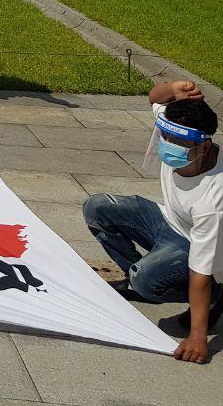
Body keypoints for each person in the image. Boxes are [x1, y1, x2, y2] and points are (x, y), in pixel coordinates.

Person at [85, 80, 223, 364]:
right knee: (98, 207)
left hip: (198, 248)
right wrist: (172, 88)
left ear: (205, 147)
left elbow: (201, 272)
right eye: (164, 137)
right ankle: (137, 273)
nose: (168, 146)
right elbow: (154, 99)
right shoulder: (175, 127)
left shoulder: (213, 200)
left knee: (146, 281)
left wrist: (198, 336)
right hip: (167, 220)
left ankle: (215, 298)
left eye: (178, 144)